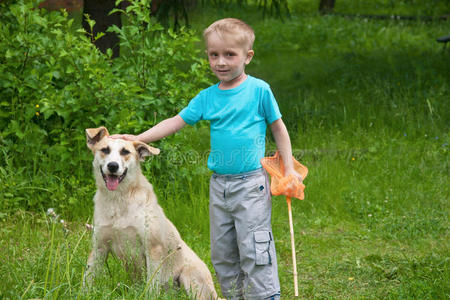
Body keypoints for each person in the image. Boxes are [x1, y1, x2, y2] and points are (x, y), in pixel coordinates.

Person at [112, 18, 302, 300]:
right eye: (214, 55)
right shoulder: (207, 97)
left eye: (229, 55)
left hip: (251, 185)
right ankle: (234, 295)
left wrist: (289, 168)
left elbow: (278, 128)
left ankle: (264, 295)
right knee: (223, 249)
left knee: (253, 246)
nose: (221, 62)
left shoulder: (259, 90)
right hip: (219, 187)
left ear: (247, 57)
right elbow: (175, 121)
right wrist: (138, 138)